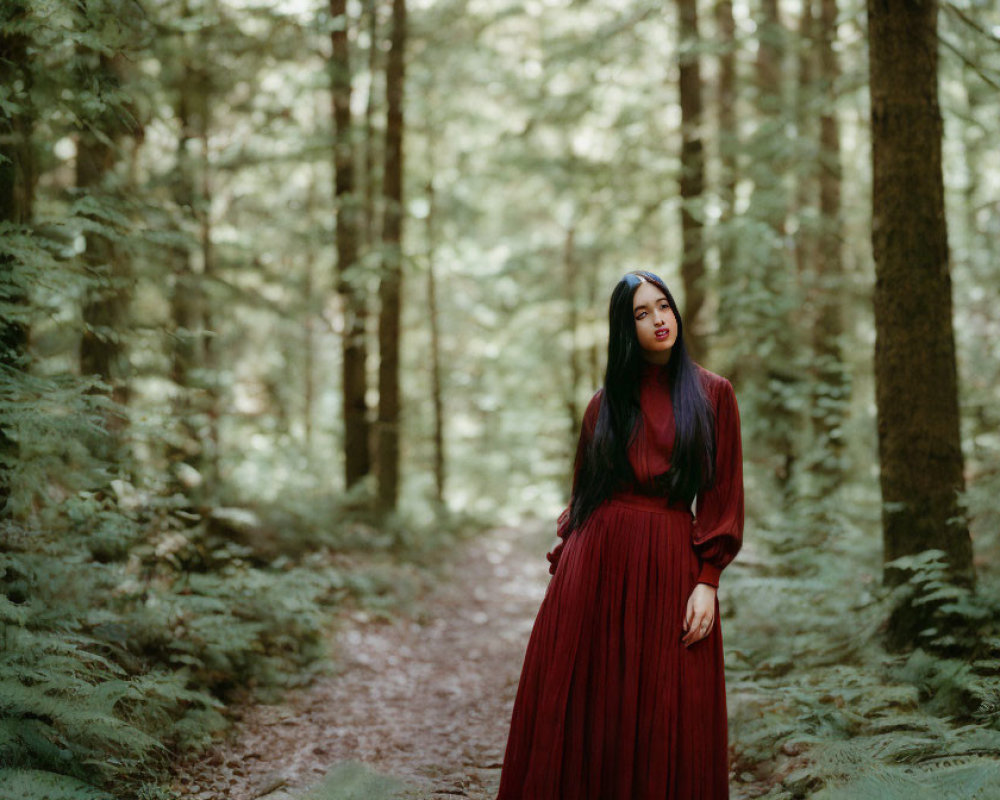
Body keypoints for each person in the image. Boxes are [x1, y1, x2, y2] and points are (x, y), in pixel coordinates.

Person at [495, 270, 744, 799]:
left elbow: (722, 498)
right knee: (594, 711)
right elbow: (584, 498)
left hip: (671, 564)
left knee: (669, 708)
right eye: (641, 313)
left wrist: (708, 578)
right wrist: (566, 580)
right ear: (625, 328)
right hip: (597, 567)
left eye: (664, 307)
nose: (658, 320)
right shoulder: (604, 403)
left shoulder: (714, 395)